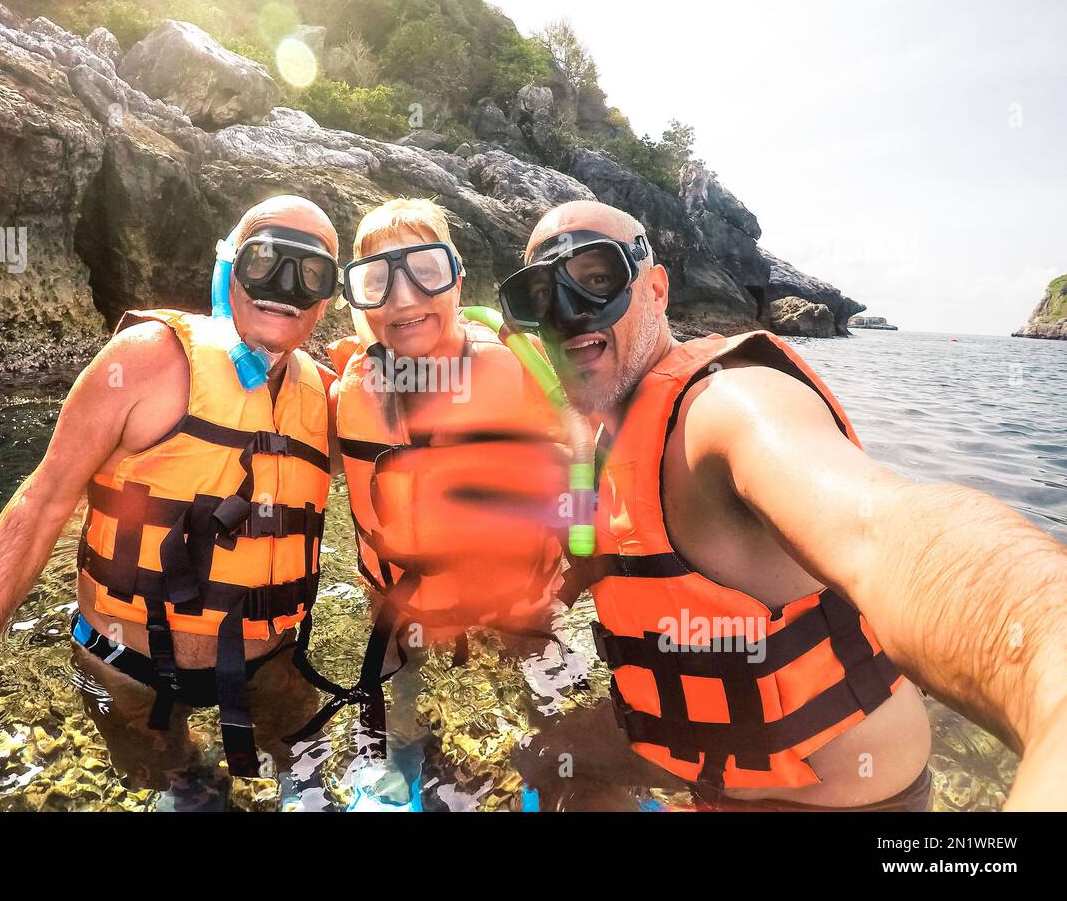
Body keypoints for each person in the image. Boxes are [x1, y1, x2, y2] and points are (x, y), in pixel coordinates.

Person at [500, 199, 1067, 810]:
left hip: (842, 800)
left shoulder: (731, 408)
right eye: (540, 297)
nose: (568, 313)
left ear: (657, 289)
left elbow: (882, 530)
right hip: (720, 772)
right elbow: (628, 561)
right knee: (555, 754)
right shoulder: (611, 436)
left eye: (598, 279)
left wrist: (1046, 670)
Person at [0, 195, 342, 787]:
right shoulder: (145, 360)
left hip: (269, 667)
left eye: (312, 271)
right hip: (126, 671)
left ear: (330, 297)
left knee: (310, 786)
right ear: (227, 268)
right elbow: (43, 499)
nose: (284, 287)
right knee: (175, 788)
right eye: (264, 260)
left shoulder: (329, 400)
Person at [302, 198, 566, 787]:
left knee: (549, 706)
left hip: (516, 596)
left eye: (425, 271)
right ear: (356, 306)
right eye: (377, 281)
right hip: (404, 600)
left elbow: (597, 463)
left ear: (457, 279)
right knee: (402, 688)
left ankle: (559, 762)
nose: (403, 298)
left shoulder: (523, 370)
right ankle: (399, 766)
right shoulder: (346, 390)